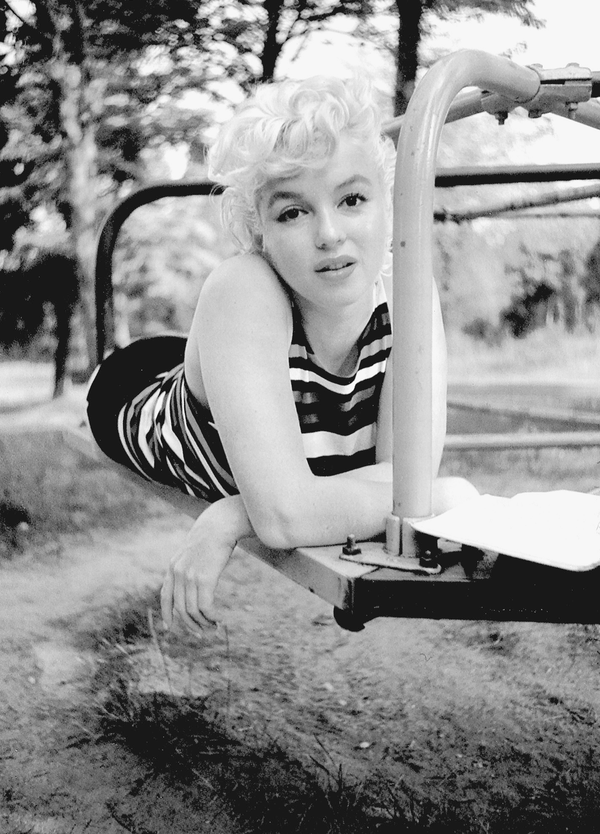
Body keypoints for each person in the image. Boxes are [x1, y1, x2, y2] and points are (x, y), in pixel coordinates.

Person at [86, 73, 477, 636]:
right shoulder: (245, 287)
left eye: (352, 199)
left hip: (239, 366)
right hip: (135, 387)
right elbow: (295, 513)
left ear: (388, 207)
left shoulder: (410, 296)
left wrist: (235, 512)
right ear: (258, 232)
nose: (330, 234)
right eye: (293, 212)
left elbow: (401, 482)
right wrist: (446, 496)